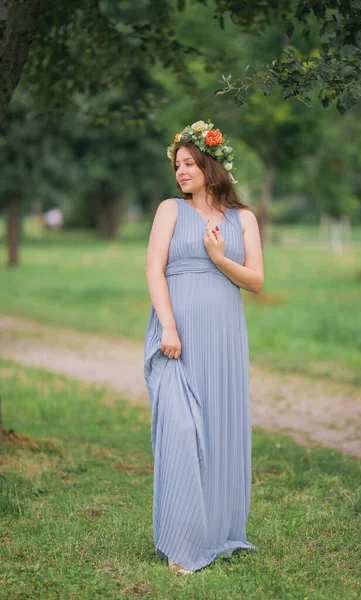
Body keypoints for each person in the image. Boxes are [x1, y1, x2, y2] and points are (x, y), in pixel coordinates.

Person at [144, 120, 264, 575]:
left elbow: (256, 281)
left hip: (225, 336)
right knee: (178, 428)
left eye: (190, 163)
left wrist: (218, 258)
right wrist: (168, 327)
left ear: (211, 165)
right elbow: (154, 270)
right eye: (178, 165)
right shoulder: (170, 211)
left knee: (219, 429)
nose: (181, 172)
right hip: (177, 333)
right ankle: (180, 540)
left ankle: (216, 532)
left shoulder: (244, 219)